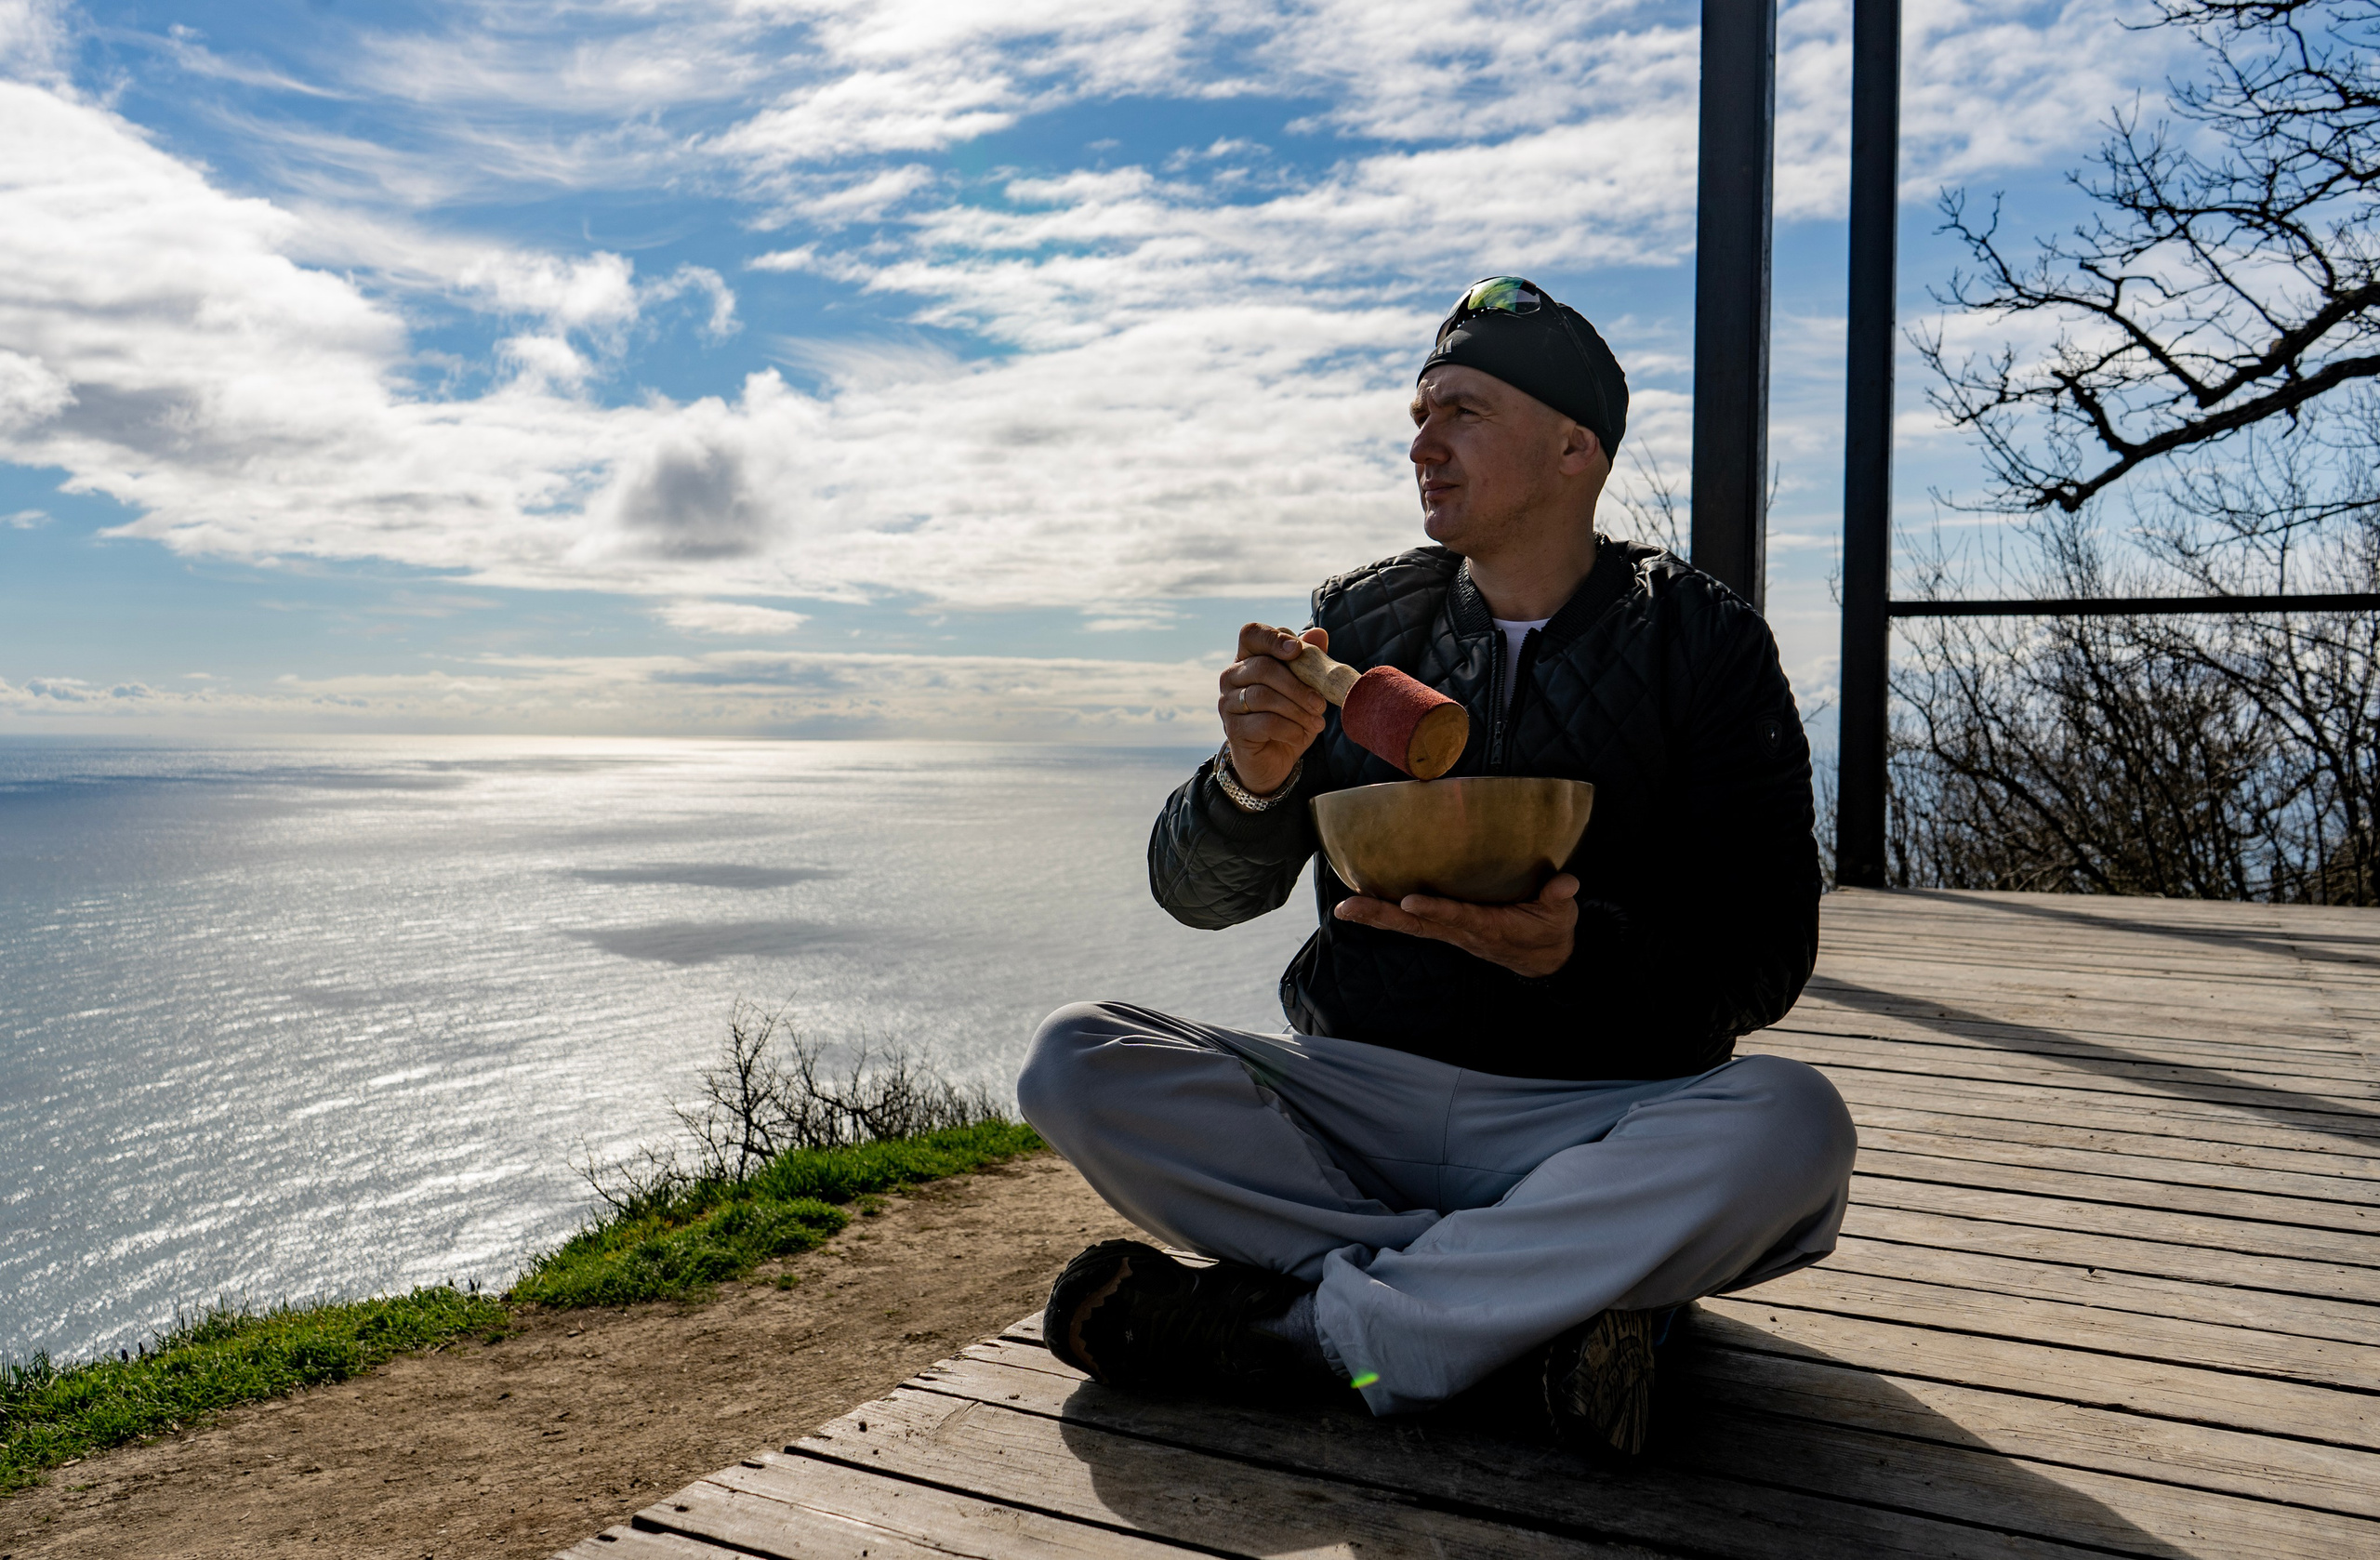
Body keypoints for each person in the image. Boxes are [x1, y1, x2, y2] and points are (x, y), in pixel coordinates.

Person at [1016, 275, 1856, 1457]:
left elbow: (1764, 956)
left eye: (1459, 411)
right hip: (1359, 1102)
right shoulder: (1357, 632)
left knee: (1793, 1125)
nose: (1422, 442)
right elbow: (1199, 896)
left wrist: (1579, 948)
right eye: (1419, 414)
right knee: (1074, 1057)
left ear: (1574, 448)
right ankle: (1514, 1306)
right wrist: (1249, 781)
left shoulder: (1700, 638)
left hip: (1595, 1121)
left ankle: (1307, 1328)